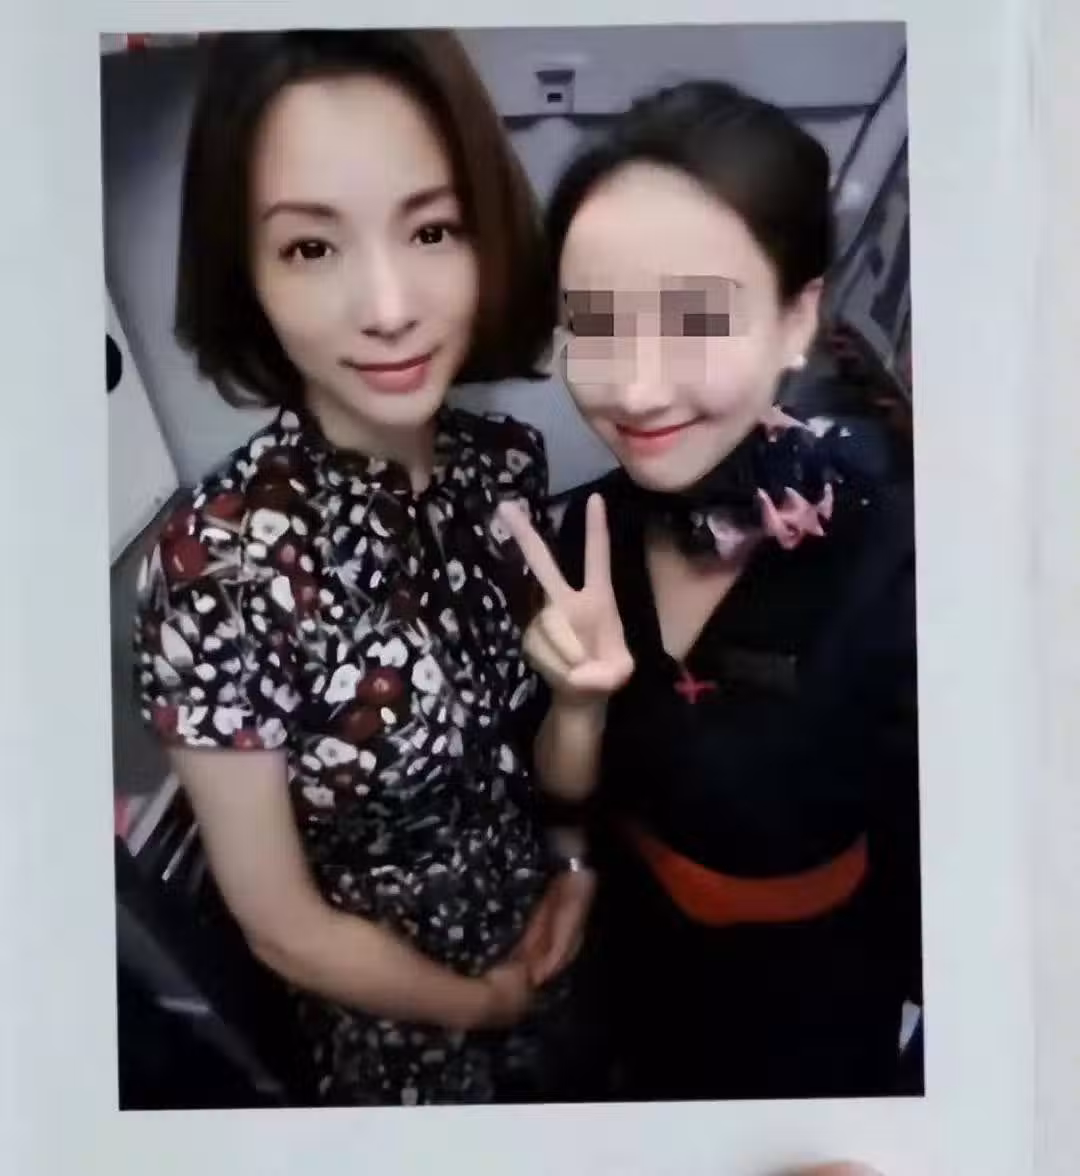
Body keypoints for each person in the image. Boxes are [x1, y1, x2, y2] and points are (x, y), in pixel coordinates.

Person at [132, 29, 592, 1107]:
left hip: (559, 945)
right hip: (405, 1041)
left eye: (432, 229)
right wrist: (482, 1005)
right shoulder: (212, 569)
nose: (388, 307)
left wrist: (575, 864)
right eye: (310, 248)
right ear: (246, 273)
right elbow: (282, 928)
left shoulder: (503, 465)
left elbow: (530, 739)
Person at [502, 80, 921, 1101]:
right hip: (627, 976)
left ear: (795, 320)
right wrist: (576, 709)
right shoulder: (578, 537)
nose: (637, 390)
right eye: (595, 325)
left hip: (813, 1015)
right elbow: (567, 804)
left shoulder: (901, 557)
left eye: (696, 323)